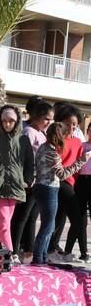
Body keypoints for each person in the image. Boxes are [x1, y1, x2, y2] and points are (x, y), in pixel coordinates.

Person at [32, 123, 89, 265]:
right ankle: (38, 258)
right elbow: (62, 174)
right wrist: (81, 161)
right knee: (48, 226)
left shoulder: (43, 147)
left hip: (41, 187)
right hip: (48, 188)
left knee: (48, 225)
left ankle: (43, 256)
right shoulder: (52, 151)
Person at [0, 106, 34, 253]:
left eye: (11, 121)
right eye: (4, 121)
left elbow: (30, 163)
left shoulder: (24, 140)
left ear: (17, 121)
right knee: (4, 223)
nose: (7, 124)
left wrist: (27, 181)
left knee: (3, 225)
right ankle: (9, 255)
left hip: (16, 187)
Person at [10, 101, 53, 263]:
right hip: (28, 182)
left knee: (32, 217)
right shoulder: (28, 132)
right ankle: (14, 250)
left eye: (51, 119)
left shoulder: (42, 134)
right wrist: (25, 179)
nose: (48, 122)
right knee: (21, 216)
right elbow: (24, 158)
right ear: (36, 116)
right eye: (46, 118)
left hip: (39, 181)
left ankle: (28, 250)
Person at [48, 104, 85, 261]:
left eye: (75, 124)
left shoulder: (78, 142)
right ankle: (51, 250)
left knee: (60, 218)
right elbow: (58, 166)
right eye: (68, 123)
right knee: (77, 219)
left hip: (72, 182)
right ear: (60, 122)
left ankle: (52, 248)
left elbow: (80, 165)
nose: (71, 127)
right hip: (59, 181)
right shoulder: (57, 140)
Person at [74, 122, 91, 261]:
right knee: (80, 218)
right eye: (90, 130)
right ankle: (83, 252)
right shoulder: (82, 146)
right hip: (81, 182)